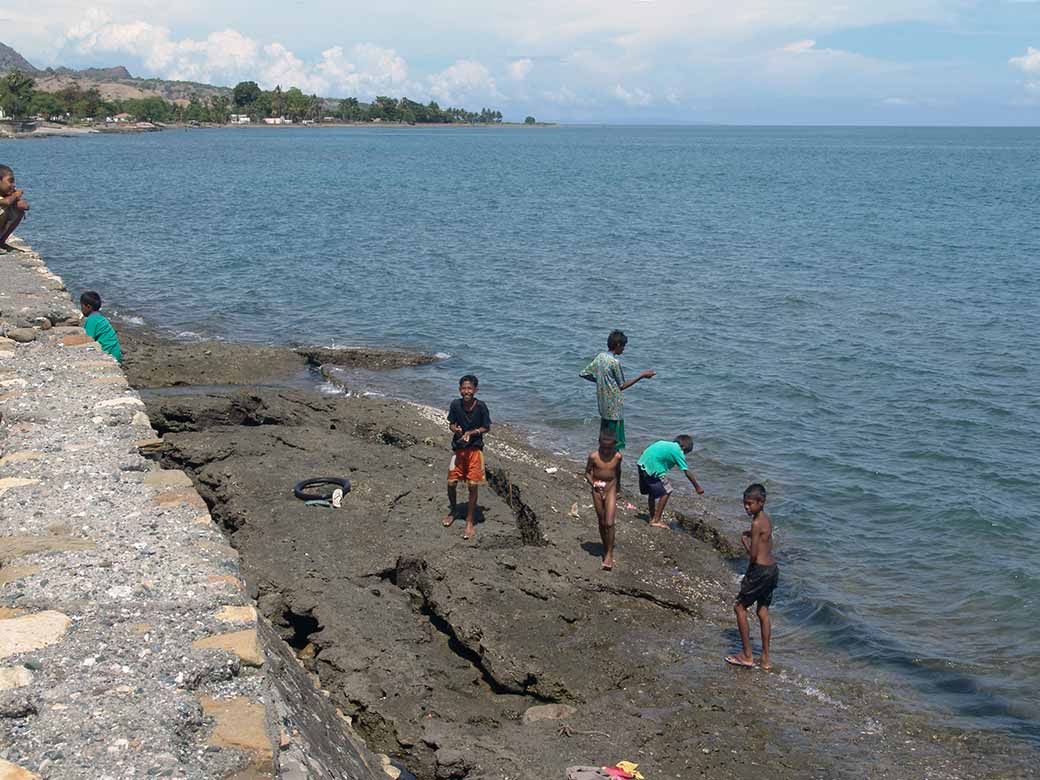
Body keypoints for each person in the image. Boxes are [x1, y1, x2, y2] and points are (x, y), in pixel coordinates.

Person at [726, 483, 779, 670]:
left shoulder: (756, 523)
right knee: (762, 612)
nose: (746, 507)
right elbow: (766, 541)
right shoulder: (766, 520)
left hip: (759, 571)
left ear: (761, 502)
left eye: (750, 504)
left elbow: (754, 555)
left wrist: (745, 542)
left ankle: (747, 655)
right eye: (744, 504)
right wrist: (753, 535)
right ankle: (765, 659)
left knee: (740, 608)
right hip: (772, 569)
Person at [579, 330, 654, 451]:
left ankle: (601, 461)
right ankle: (612, 464)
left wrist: (601, 381)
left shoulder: (600, 357)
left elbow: (583, 373)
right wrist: (642, 376)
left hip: (603, 404)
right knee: (615, 440)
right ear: (618, 345)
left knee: (604, 437)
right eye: (623, 346)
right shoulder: (614, 362)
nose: (624, 349)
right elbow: (622, 385)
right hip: (614, 406)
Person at [442, 374, 491, 540]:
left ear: (476, 390)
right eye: (463, 388)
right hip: (458, 449)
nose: (466, 391)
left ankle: (469, 520)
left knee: (472, 485)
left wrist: (472, 432)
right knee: (451, 482)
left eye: (470, 388)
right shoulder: (455, 405)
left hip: (475, 451)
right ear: (459, 390)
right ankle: (454, 510)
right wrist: (454, 429)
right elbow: (451, 423)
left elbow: (486, 427)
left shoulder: (481, 406)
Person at [636, 435, 704, 528]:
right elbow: (686, 471)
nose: (684, 455)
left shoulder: (663, 443)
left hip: (642, 464)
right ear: (683, 447)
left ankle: (652, 517)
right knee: (667, 491)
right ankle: (656, 520)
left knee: (652, 492)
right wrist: (697, 487)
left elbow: (645, 451)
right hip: (654, 469)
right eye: (686, 452)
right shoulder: (678, 451)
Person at [585, 431, 623, 570]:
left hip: (611, 488)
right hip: (597, 489)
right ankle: (605, 545)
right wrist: (593, 483)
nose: (606, 451)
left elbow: (618, 473)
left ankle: (609, 554)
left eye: (609, 448)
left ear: (614, 446)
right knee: (601, 521)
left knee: (609, 522)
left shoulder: (618, 457)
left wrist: (618, 488)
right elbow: (587, 472)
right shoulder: (594, 456)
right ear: (599, 444)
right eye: (603, 448)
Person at [80, 291, 123, 363]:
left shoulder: (91, 320)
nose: (81, 309)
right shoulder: (100, 318)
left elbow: (88, 340)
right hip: (116, 353)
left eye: (81, 306)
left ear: (88, 307)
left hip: (109, 355)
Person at [0, 164, 29, 252]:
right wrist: (15, 195)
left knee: (18, 211)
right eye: (10, 181)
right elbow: (6, 202)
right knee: (3, 209)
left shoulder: (6, 195)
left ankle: (1, 242)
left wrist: (15, 199)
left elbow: (25, 206)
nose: (13, 185)